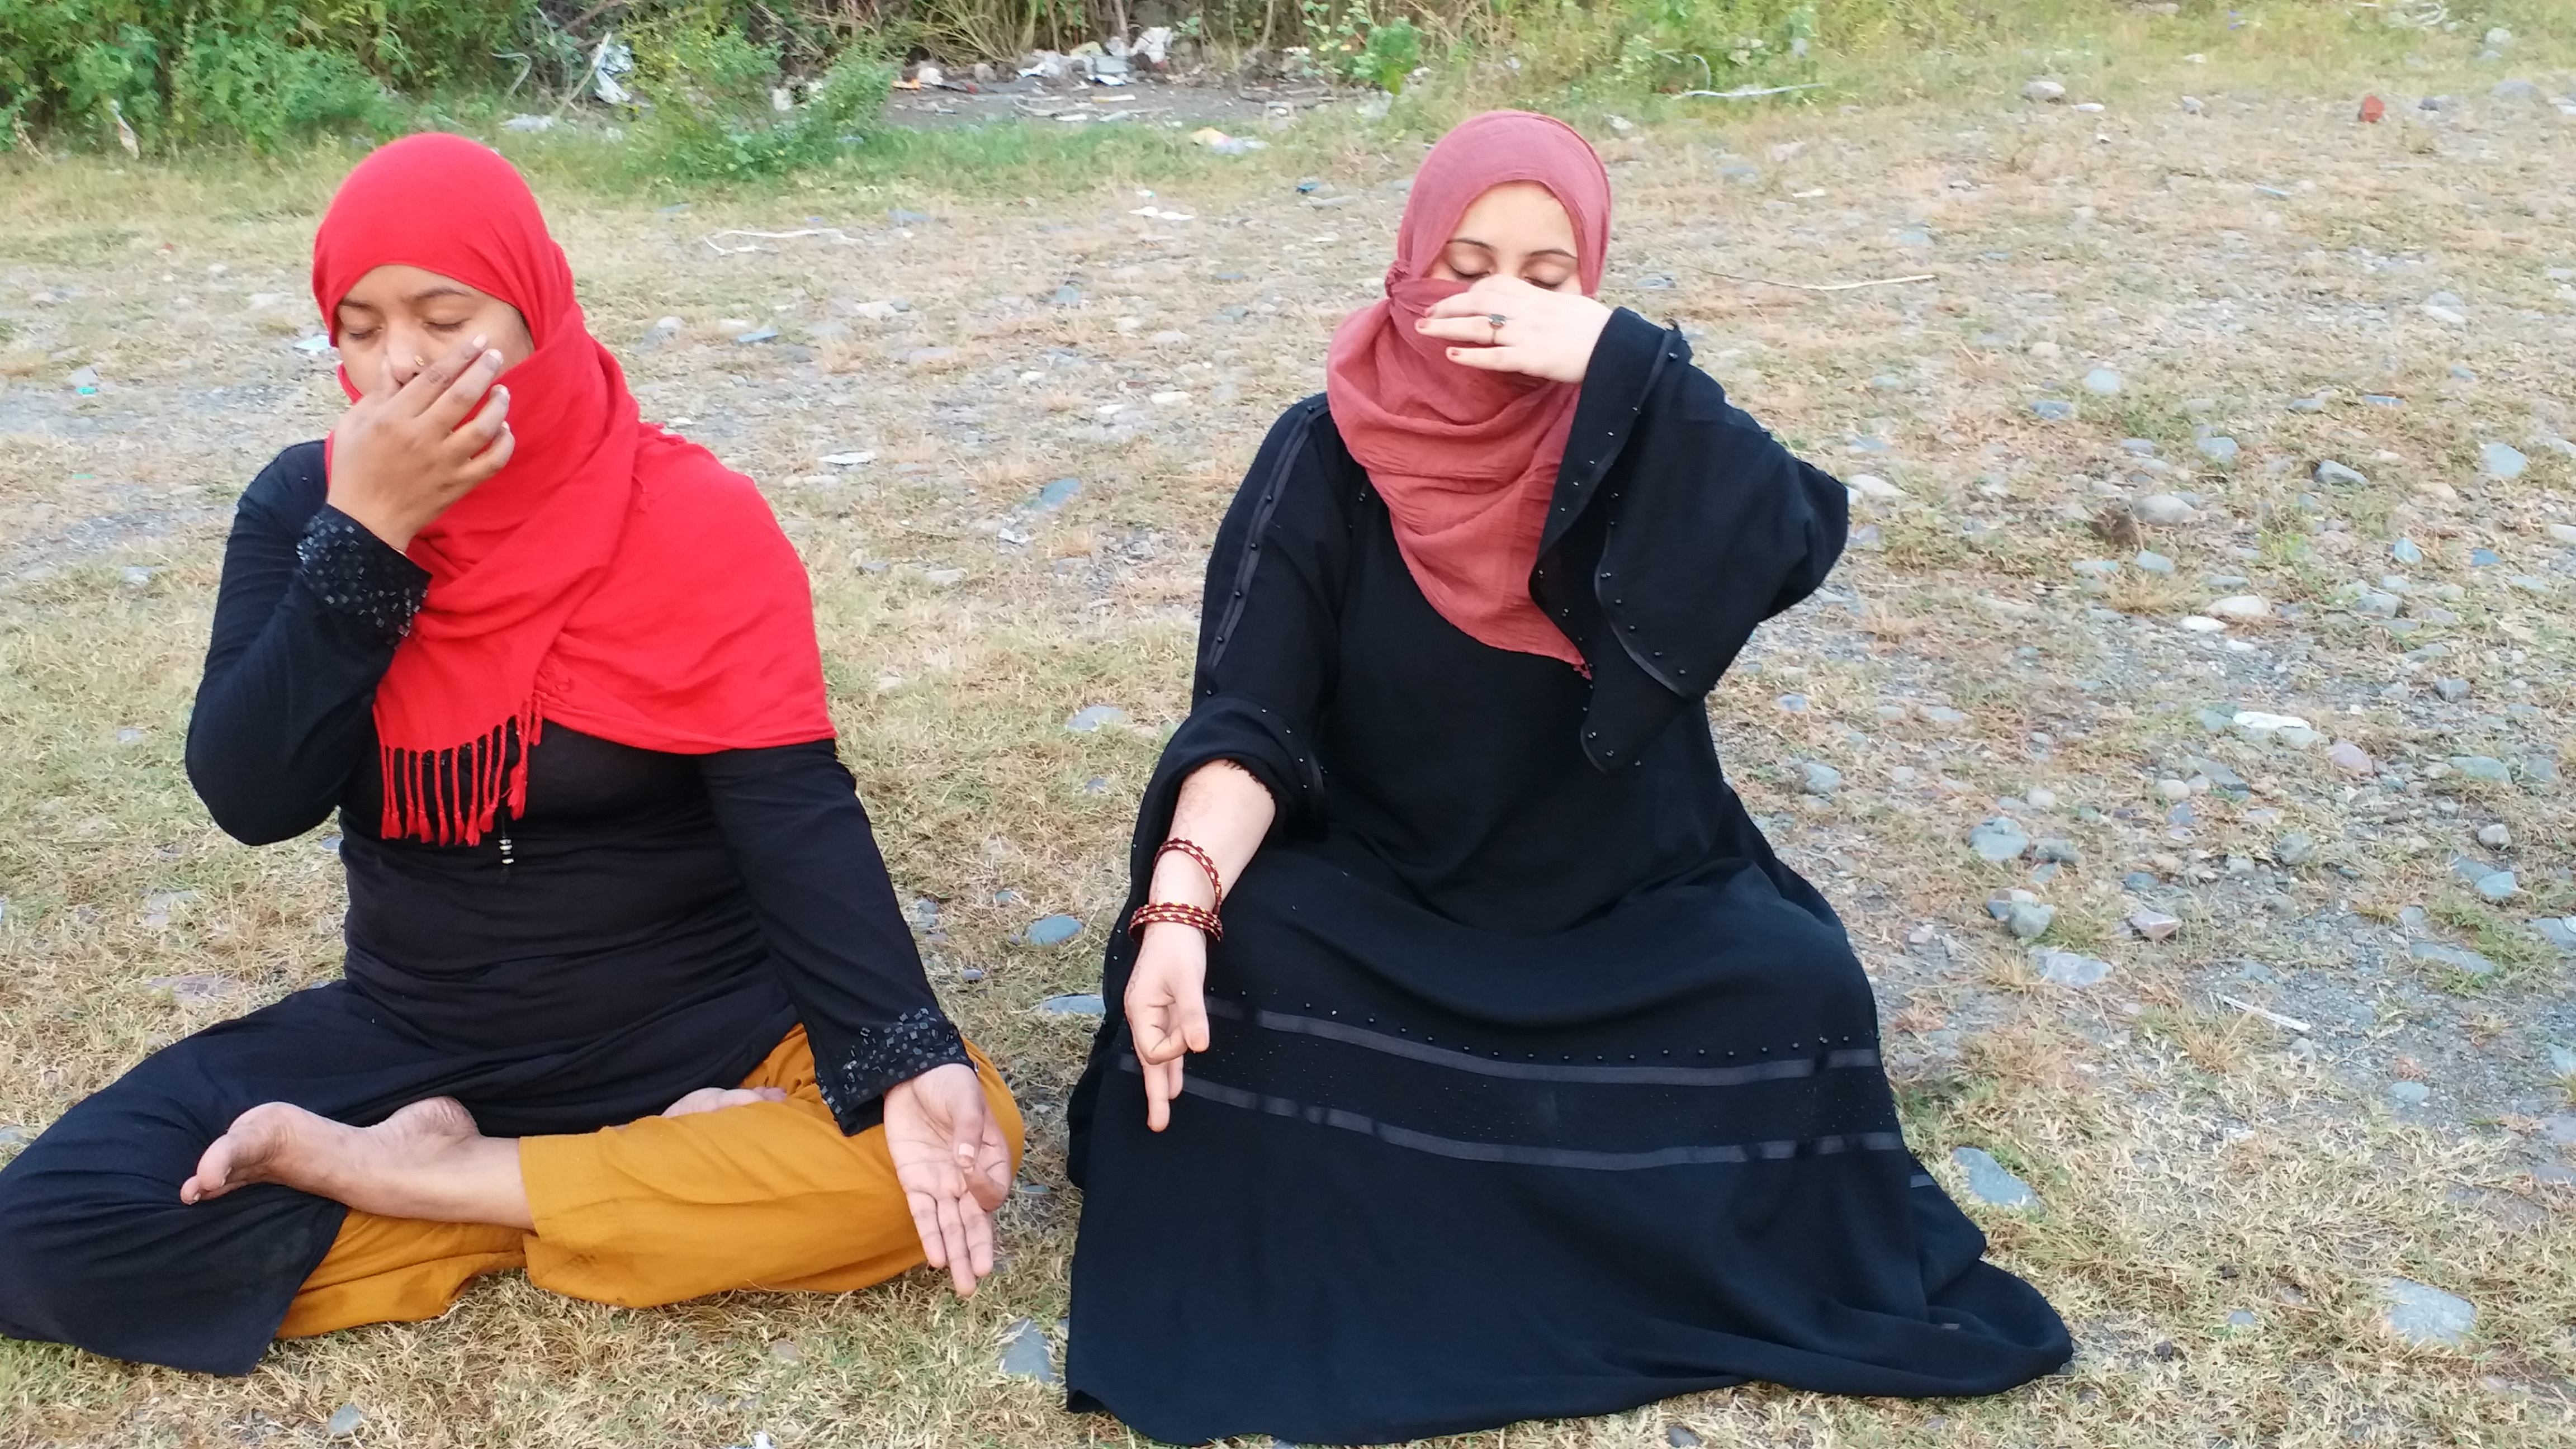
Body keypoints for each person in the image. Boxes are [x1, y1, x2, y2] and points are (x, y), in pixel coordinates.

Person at [1060, 111, 2071, 1444]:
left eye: (1548, 277)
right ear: (1410, 264)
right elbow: (1249, 718)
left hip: (1621, 900)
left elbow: (1793, 531)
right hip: (1386, 895)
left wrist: (1622, 359)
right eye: (1467, 263)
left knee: (1797, 988)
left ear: (1593, 285)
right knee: (1246, 964)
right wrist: (1179, 909)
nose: (1498, 306)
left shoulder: (1638, 433)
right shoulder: (1324, 450)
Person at [0, 134, 1018, 1376]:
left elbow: (793, 810)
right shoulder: (303, 506)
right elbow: (254, 795)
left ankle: (441, 1182)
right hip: (416, 1027)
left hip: (707, 1025)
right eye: (361, 326)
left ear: (535, 310)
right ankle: (620, 1189)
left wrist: (905, 1051)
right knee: (50, 1234)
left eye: (444, 315)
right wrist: (368, 536)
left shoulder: (691, 518)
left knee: (944, 1159)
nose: (401, 361)